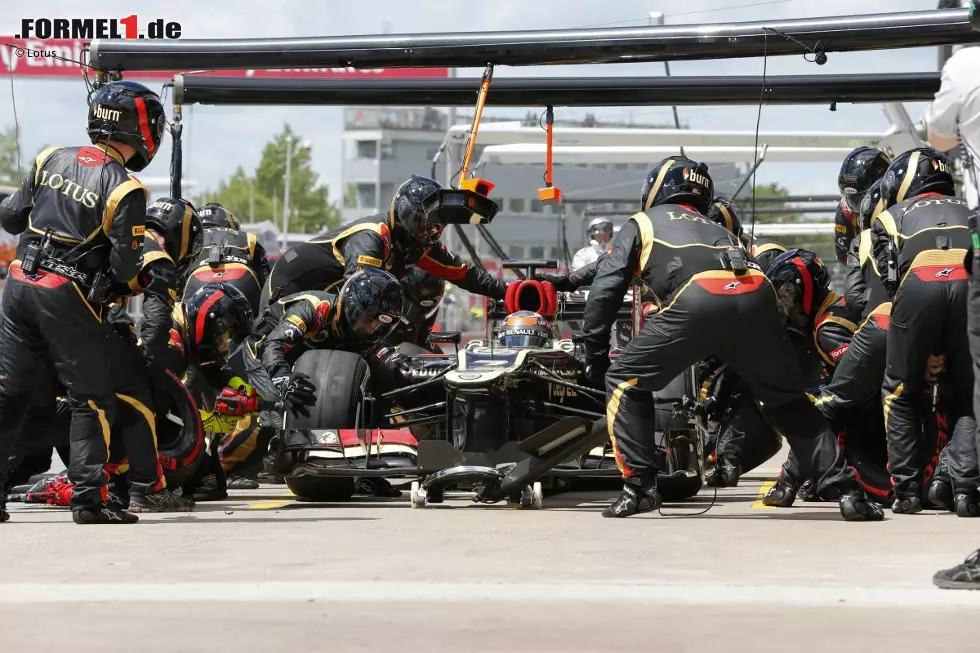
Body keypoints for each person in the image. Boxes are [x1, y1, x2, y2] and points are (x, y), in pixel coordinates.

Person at [581, 155, 881, 521]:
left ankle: (640, 488)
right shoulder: (717, 229)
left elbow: (606, 286)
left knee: (625, 379)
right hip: (757, 297)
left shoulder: (643, 223)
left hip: (698, 300)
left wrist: (593, 351)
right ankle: (848, 492)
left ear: (656, 189)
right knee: (789, 403)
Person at [0, 80, 166, 525]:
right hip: (65, 297)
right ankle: (89, 501)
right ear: (140, 129)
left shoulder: (48, 156)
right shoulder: (126, 188)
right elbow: (127, 268)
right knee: (90, 399)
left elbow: (10, 216)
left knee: (9, 392)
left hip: (17, 284)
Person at [215, 267, 404, 486]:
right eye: (367, 319)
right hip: (263, 352)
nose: (371, 329)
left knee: (369, 395)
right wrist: (282, 379)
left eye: (379, 325)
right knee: (274, 412)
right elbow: (273, 345)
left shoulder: (368, 337)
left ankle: (363, 468)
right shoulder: (316, 308)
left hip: (300, 361)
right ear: (351, 306)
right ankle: (221, 468)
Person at [872, 147, 977, 516]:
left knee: (900, 392)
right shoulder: (970, 208)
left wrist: (926, 347)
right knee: (966, 394)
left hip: (917, 285)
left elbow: (889, 284)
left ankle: (907, 491)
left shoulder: (888, 217)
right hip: (971, 284)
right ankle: (966, 490)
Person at [261, 175, 507, 310]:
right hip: (289, 286)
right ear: (402, 213)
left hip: (326, 294)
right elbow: (358, 296)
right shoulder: (373, 236)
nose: (428, 231)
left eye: (435, 225)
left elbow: (463, 274)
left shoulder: (421, 246)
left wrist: (507, 292)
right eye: (421, 223)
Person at [182, 203, 269, 316]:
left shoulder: (188, 242)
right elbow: (268, 282)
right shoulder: (247, 238)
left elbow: (177, 283)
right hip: (242, 283)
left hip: (198, 284)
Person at [833, 146, 891, 265]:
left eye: (861, 198)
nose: (855, 205)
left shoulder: (896, 205)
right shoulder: (845, 212)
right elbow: (843, 254)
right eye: (851, 199)